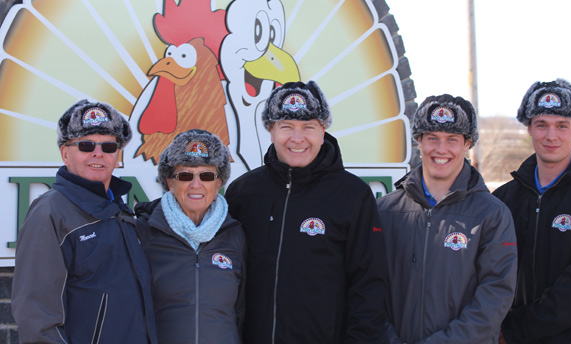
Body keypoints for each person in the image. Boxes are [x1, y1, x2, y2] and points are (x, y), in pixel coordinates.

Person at [225, 80, 387, 343]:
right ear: (271, 131)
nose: (297, 138)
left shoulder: (353, 195)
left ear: (323, 130)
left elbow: (369, 285)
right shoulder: (243, 193)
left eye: (308, 127)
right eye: (286, 126)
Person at [12, 99, 157, 343]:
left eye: (108, 147)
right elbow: (37, 319)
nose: (97, 153)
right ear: (65, 154)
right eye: (86, 145)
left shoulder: (120, 212)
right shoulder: (50, 212)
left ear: (117, 155)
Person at [377, 94, 518, 344]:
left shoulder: (492, 215)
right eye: (432, 138)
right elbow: (367, 288)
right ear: (419, 141)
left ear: (467, 143)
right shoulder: (385, 211)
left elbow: (495, 295)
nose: (441, 149)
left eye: (452, 139)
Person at [492, 79, 571, 343]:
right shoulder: (503, 199)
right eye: (542, 125)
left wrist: (513, 331)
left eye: (562, 125)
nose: (551, 135)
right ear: (529, 129)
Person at [135, 129, 246, 343]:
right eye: (186, 175)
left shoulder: (235, 235)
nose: (196, 185)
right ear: (170, 183)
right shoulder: (143, 232)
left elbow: (242, 311)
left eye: (206, 175)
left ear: (218, 183)